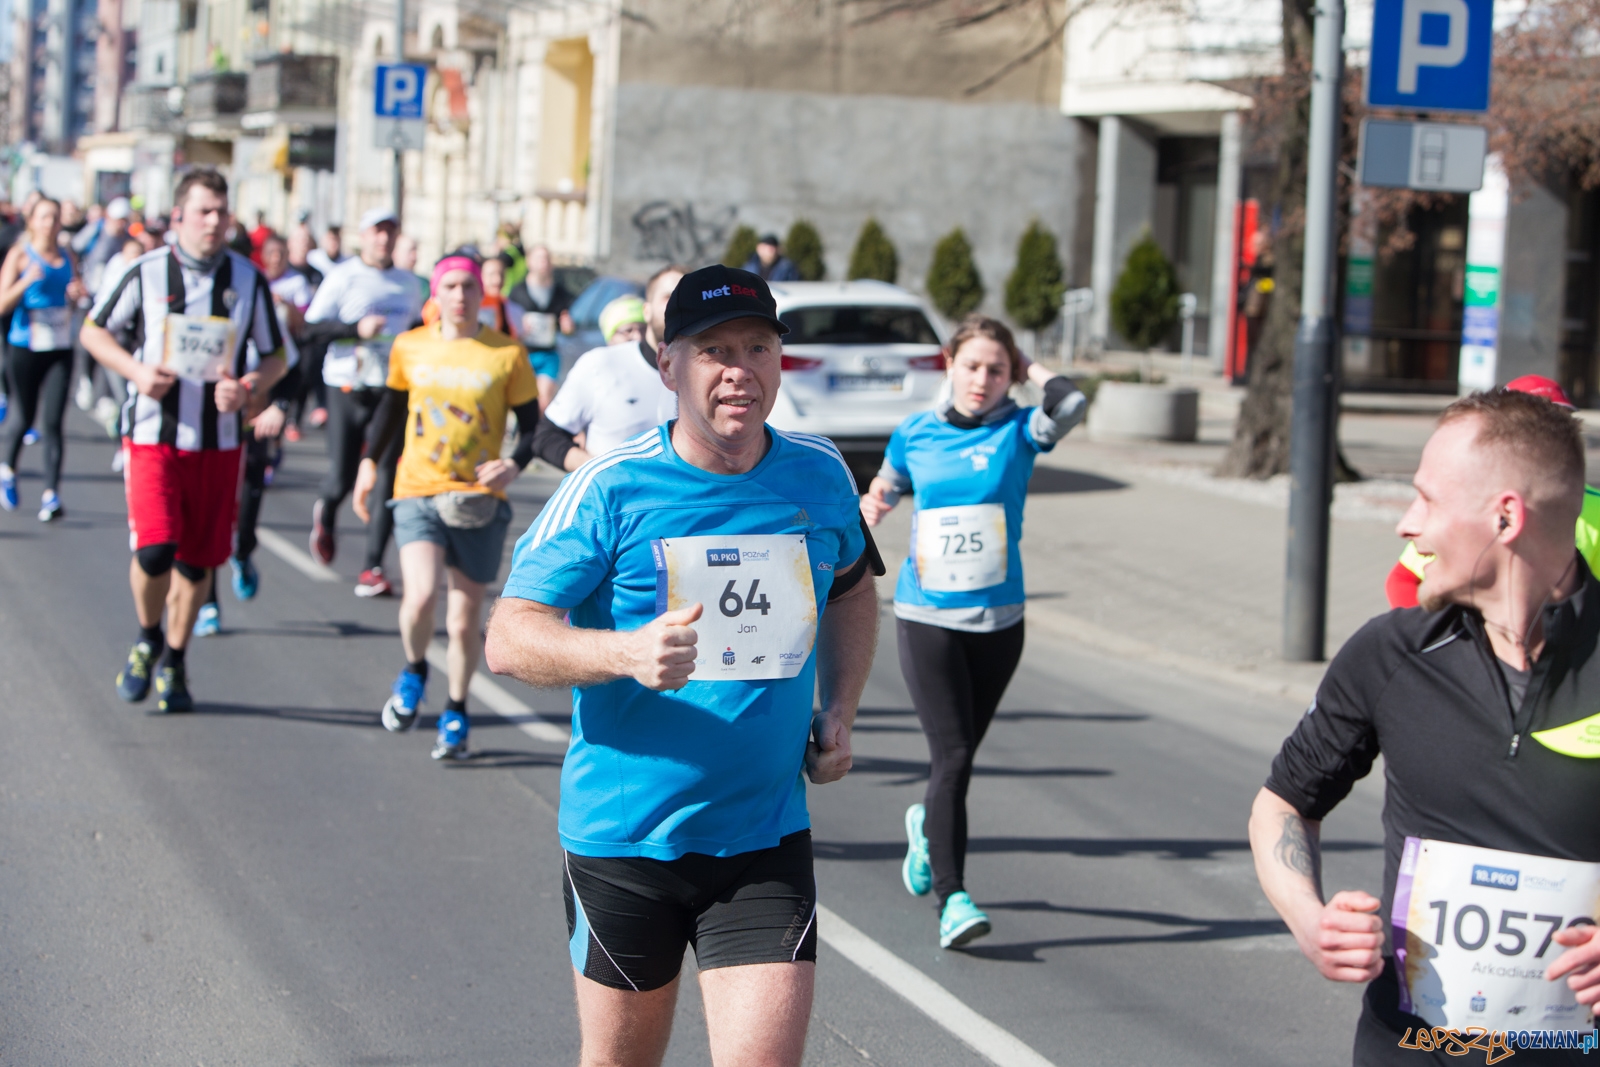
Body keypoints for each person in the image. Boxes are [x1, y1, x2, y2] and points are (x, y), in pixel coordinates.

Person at [483, 264, 882, 1066]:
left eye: (758, 347)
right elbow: (509, 636)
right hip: (626, 843)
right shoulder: (611, 487)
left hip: (763, 836)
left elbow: (851, 587)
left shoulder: (819, 471)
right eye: (714, 351)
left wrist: (840, 706)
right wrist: (624, 652)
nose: (740, 370)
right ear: (667, 366)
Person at [1250, 388, 1600, 1066]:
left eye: (1428, 500)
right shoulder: (1391, 653)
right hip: (1410, 1046)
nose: (1407, 524)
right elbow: (1284, 803)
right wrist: (1309, 920)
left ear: (1505, 517)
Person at [860, 314, 1087, 949]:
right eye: (971, 366)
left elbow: (1072, 402)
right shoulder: (915, 433)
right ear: (949, 365)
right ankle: (952, 897)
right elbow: (888, 484)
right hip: (927, 617)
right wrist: (873, 504)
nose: (982, 379)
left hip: (1000, 621)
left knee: (954, 760)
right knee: (955, 756)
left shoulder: (1021, 430)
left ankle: (925, 825)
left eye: (996, 369)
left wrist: (1028, 363)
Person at [81, 168, 287, 712]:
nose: (214, 222)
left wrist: (249, 388)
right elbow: (93, 330)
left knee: (197, 562)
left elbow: (276, 355)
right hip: (155, 434)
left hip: (220, 442)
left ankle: (175, 657)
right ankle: (148, 636)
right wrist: (136, 371)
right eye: (203, 211)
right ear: (179, 216)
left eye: (221, 212)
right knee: (155, 549)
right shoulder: (146, 272)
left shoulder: (247, 279)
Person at [352, 254, 540, 760]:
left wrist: (512, 465)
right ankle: (414, 670)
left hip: (478, 499)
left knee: (462, 620)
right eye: (451, 286)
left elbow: (533, 427)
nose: (460, 295)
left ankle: (456, 710)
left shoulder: (506, 353)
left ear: (482, 294)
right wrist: (368, 465)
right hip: (417, 488)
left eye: (469, 286)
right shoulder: (410, 345)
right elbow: (391, 410)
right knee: (419, 597)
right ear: (435, 294)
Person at [1385, 375, 1600, 609]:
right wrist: (1433, 631)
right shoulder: (1463, 503)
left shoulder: (1595, 509)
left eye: (1559, 426)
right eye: (1528, 427)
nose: (1546, 438)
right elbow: (1403, 579)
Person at [303, 207, 425, 598]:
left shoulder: (408, 283)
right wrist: (355, 329)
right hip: (347, 386)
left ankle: (373, 567)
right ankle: (327, 511)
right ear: (363, 236)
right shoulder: (343, 277)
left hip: (391, 390)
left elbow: (416, 330)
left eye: (390, 232)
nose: (384, 239)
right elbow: (310, 329)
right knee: (342, 476)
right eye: (377, 231)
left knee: (387, 476)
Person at [193, 233, 309, 635]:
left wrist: (279, 406)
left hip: (254, 420)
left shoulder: (258, 305)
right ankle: (209, 602)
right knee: (209, 515)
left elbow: (290, 366)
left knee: (247, 504)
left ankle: (242, 551)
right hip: (206, 425)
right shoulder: (191, 312)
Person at [532, 266, 682, 473]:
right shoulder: (601, 364)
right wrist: (605, 474)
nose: (678, 305)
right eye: (669, 297)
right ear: (646, 311)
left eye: (686, 298)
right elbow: (546, 437)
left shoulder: (714, 373)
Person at [0, 196, 87, 519]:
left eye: (55, 217)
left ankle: (51, 495)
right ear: (32, 221)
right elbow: (2, 304)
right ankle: (8, 469)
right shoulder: (20, 254)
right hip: (25, 347)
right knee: (24, 416)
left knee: (53, 422)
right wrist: (25, 281)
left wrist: (76, 296)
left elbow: (75, 298)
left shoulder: (67, 255)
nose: (50, 223)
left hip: (60, 347)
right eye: (44, 217)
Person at [503, 243, 573, 411]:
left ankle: (537, 427)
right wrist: (518, 330)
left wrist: (568, 327)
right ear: (529, 262)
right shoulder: (517, 292)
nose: (544, 263)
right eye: (539, 258)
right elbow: (507, 323)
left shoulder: (560, 293)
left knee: (543, 401)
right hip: (523, 353)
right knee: (522, 402)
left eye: (547, 258)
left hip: (548, 354)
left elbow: (567, 326)